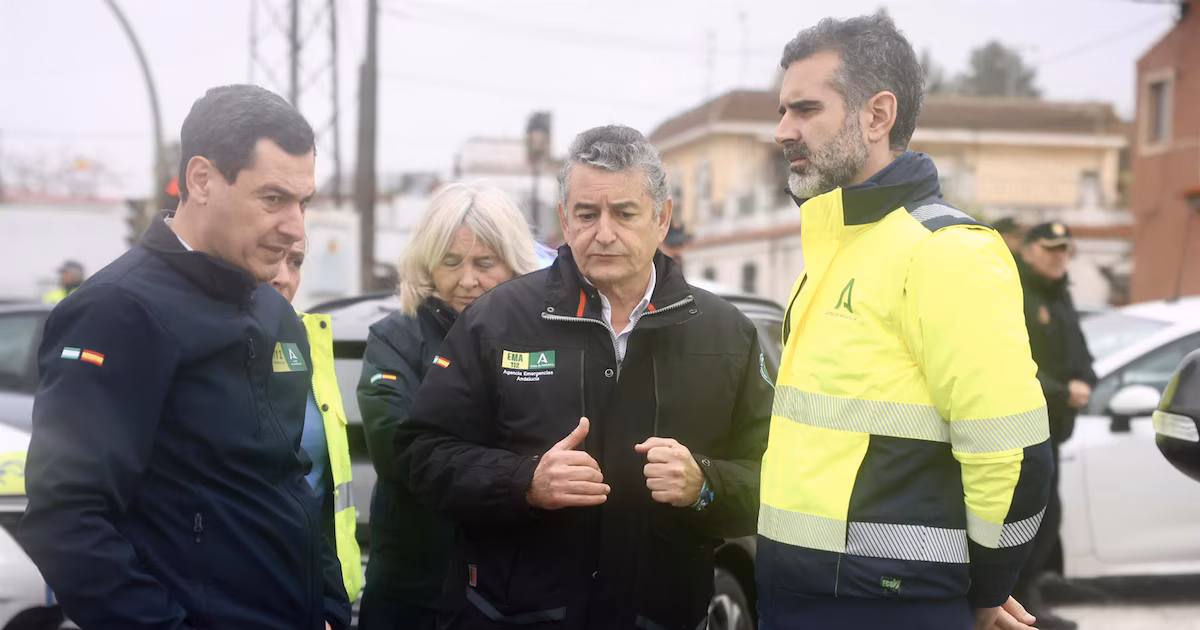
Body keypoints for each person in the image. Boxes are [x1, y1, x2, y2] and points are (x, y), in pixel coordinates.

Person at [394, 125, 773, 630]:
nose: (604, 232)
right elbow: (424, 455)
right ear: (564, 221)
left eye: (625, 213)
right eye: (587, 214)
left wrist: (706, 484)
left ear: (663, 219)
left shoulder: (727, 336)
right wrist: (524, 481)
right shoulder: (495, 320)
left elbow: (778, 480)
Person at [756, 14, 1052, 630]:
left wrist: (986, 593)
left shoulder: (944, 250)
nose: (783, 130)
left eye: (805, 108)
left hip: (889, 605)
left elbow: (1012, 449)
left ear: (877, 115)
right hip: (802, 595)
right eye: (783, 110)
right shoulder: (837, 250)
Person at [19, 85, 351, 630]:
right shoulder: (117, 312)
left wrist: (330, 609)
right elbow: (65, 518)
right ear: (201, 180)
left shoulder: (274, 312)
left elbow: (293, 486)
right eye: (273, 198)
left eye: (303, 202)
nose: (295, 227)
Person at [354, 183, 540, 630]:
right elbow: (400, 452)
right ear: (428, 264)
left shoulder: (543, 341)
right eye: (451, 262)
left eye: (484, 263)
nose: (467, 280)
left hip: (515, 591)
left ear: (513, 263)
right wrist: (517, 472)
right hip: (415, 594)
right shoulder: (395, 339)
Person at [269, 238, 365, 605]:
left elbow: (323, 491)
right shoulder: (212, 348)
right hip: (243, 588)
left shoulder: (310, 341)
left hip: (313, 581)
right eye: (270, 258)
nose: (282, 277)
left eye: (294, 262)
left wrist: (329, 600)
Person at [1012, 222, 1097, 630]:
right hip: (1021, 427)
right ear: (1028, 250)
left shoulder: (1059, 294)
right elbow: (1012, 361)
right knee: (1029, 517)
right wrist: (1064, 391)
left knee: (1047, 518)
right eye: (1049, 249)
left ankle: (1029, 601)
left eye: (1064, 250)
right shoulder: (1016, 291)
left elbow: (1080, 351)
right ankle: (1018, 605)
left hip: (1053, 430)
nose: (1058, 256)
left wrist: (1086, 381)